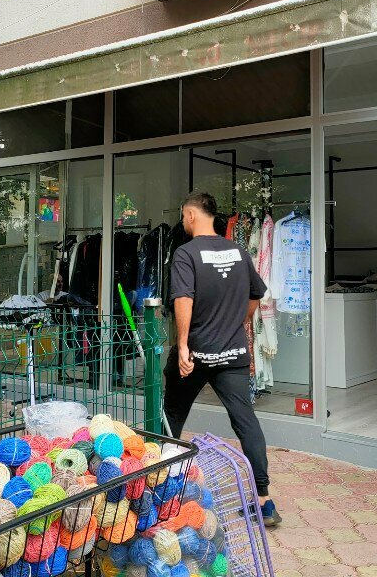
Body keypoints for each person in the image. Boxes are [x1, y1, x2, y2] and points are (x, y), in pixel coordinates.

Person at [164, 191, 281, 526]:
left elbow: (183, 298)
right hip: (232, 352)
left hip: (197, 352)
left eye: (183, 215)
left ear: (190, 214)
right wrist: (238, 322)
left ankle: (159, 487)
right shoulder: (239, 251)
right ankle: (264, 500)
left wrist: (183, 345)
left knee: (171, 414)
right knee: (245, 419)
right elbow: (257, 294)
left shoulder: (186, 254)